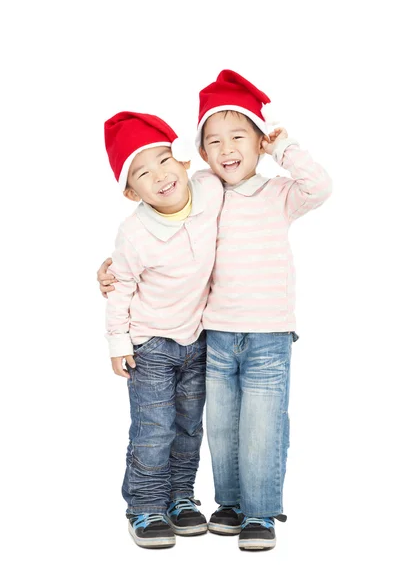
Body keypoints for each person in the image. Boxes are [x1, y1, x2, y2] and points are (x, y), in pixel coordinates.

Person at [99, 71, 332, 551]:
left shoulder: (276, 194)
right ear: (201, 154)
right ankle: (220, 503)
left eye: (240, 137)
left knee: (260, 424)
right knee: (218, 427)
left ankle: (259, 511)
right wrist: (106, 271)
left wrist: (281, 147)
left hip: (267, 334)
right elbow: (143, 243)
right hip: (214, 335)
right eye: (215, 141)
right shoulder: (207, 189)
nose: (228, 150)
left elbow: (320, 186)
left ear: (257, 141)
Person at [103, 111, 223, 549]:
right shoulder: (134, 232)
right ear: (131, 191)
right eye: (143, 173)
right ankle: (145, 505)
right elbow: (120, 287)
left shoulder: (209, 191)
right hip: (151, 344)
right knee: (154, 428)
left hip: (198, 338)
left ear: (185, 162)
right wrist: (118, 342)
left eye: (163, 161)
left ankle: (180, 497)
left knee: (190, 427)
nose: (160, 176)